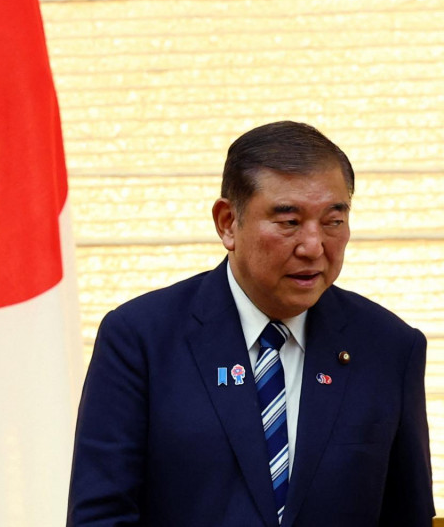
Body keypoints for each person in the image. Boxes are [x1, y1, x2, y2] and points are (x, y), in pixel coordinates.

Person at [67, 121, 433, 527]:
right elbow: (101, 515)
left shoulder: (390, 347)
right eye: (289, 221)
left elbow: (407, 513)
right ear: (227, 222)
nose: (313, 246)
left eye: (333, 221)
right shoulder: (141, 339)